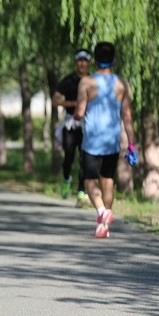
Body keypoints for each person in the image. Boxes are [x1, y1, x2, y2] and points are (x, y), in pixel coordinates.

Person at [74, 41, 138, 239]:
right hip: (112, 140)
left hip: (92, 141)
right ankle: (104, 225)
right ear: (114, 59)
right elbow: (127, 116)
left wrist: (76, 115)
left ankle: (102, 212)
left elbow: (79, 112)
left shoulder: (86, 82)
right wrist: (131, 145)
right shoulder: (122, 84)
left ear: (94, 60)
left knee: (90, 181)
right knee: (108, 180)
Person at [53, 50, 92, 207]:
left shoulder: (92, 81)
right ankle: (66, 179)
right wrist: (74, 104)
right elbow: (55, 100)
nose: (82, 64)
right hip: (70, 123)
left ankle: (81, 191)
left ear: (89, 63)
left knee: (84, 158)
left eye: (85, 61)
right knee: (69, 156)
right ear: (76, 62)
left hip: (87, 123)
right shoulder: (68, 80)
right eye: (79, 61)